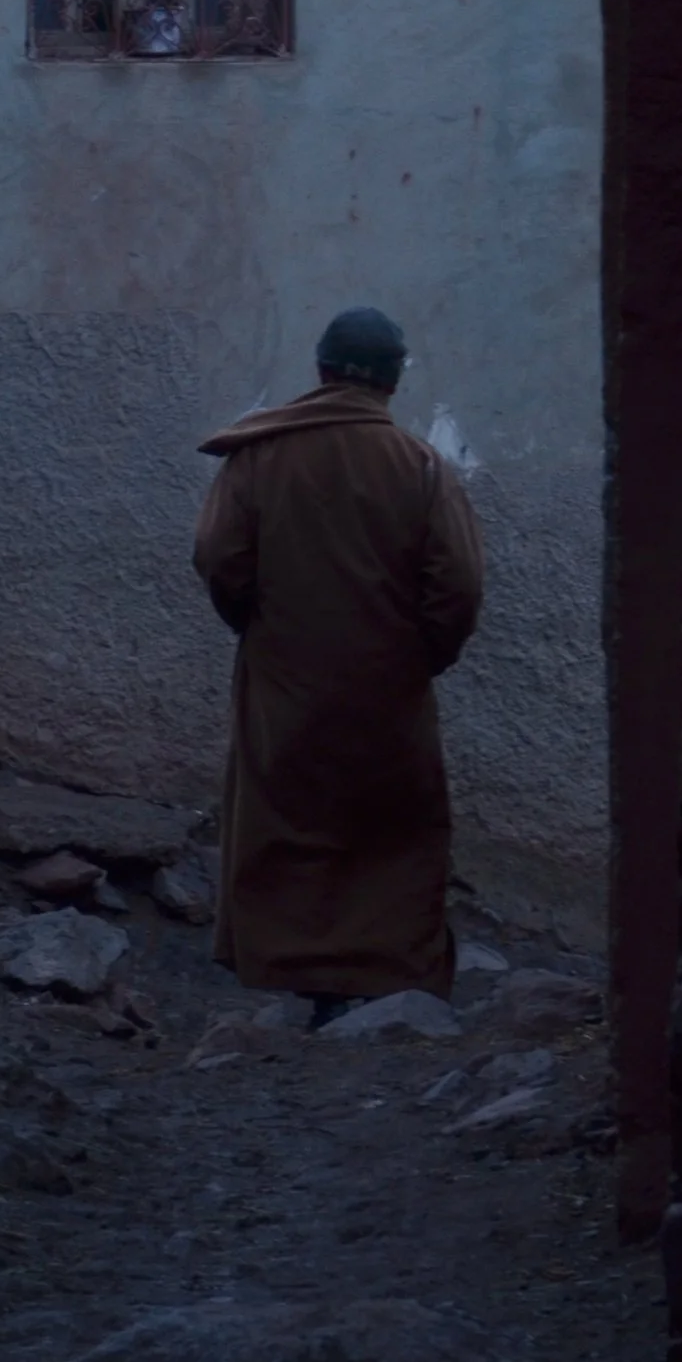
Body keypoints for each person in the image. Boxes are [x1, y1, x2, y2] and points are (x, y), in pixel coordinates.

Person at [192, 308, 485, 1010]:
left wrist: (264, 631)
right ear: (389, 383)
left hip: (284, 679)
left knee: (284, 816)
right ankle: (384, 975)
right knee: (387, 829)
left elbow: (217, 558)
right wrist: (420, 657)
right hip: (389, 688)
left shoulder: (258, 456)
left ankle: (283, 969)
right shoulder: (420, 465)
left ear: (320, 371)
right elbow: (460, 585)